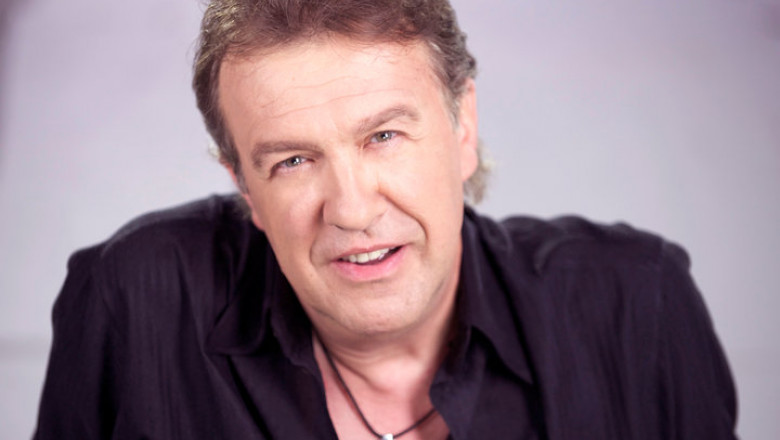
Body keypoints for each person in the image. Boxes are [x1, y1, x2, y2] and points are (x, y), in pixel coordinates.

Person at [34, 0, 738, 439]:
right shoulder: (133, 299)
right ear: (244, 186)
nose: (352, 208)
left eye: (384, 136)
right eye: (292, 161)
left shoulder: (636, 305)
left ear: (463, 127)